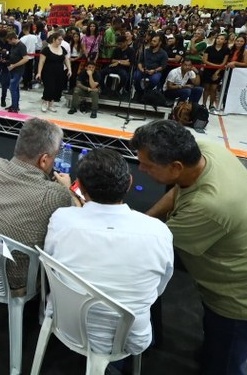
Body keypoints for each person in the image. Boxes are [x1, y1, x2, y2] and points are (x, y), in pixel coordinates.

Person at [131, 120, 247, 375]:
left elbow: (152, 245)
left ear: (175, 167)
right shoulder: (206, 151)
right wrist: (147, 217)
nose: (141, 169)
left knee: (223, 367)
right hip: (240, 282)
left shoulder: (211, 206)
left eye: (147, 166)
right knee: (214, 350)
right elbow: (180, 191)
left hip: (243, 303)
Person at [45, 149, 173, 356]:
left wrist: (73, 195)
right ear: (130, 182)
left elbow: (51, 262)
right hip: (131, 339)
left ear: (82, 187)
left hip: (65, 324)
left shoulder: (61, 219)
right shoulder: (159, 232)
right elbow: (158, 290)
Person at [0, 118, 75, 289]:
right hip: (18, 279)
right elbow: (74, 218)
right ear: (44, 160)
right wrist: (68, 190)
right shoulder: (54, 194)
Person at [36, 32, 70, 113]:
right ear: (54, 39)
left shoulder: (62, 49)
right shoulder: (46, 49)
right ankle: (45, 102)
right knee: (49, 88)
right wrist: (39, 72)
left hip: (60, 72)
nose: (60, 41)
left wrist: (69, 69)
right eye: (59, 40)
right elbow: (41, 62)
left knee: (57, 88)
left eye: (61, 40)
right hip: (48, 72)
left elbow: (66, 60)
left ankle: (51, 104)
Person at [200, 33, 230, 111]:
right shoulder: (209, 48)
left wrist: (217, 71)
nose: (219, 40)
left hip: (218, 71)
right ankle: (203, 104)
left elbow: (224, 63)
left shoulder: (226, 50)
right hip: (208, 70)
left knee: (214, 88)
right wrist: (214, 65)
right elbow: (204, 60)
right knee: (206, 87)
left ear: (224, 41)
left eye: (221, 39)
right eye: (218, 38)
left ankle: (211, 105)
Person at [4, 32, 30, 113]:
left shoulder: (21, 46)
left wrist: (14, 65)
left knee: (12, 88)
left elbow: (26, 58)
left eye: (9, 41)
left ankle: (15, 107)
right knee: (15, 88)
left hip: (18, 70)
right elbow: (14, 56)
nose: (9, 43)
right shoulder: (13, 45)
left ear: (13, 39)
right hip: (12, 69)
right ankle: (15, 105)